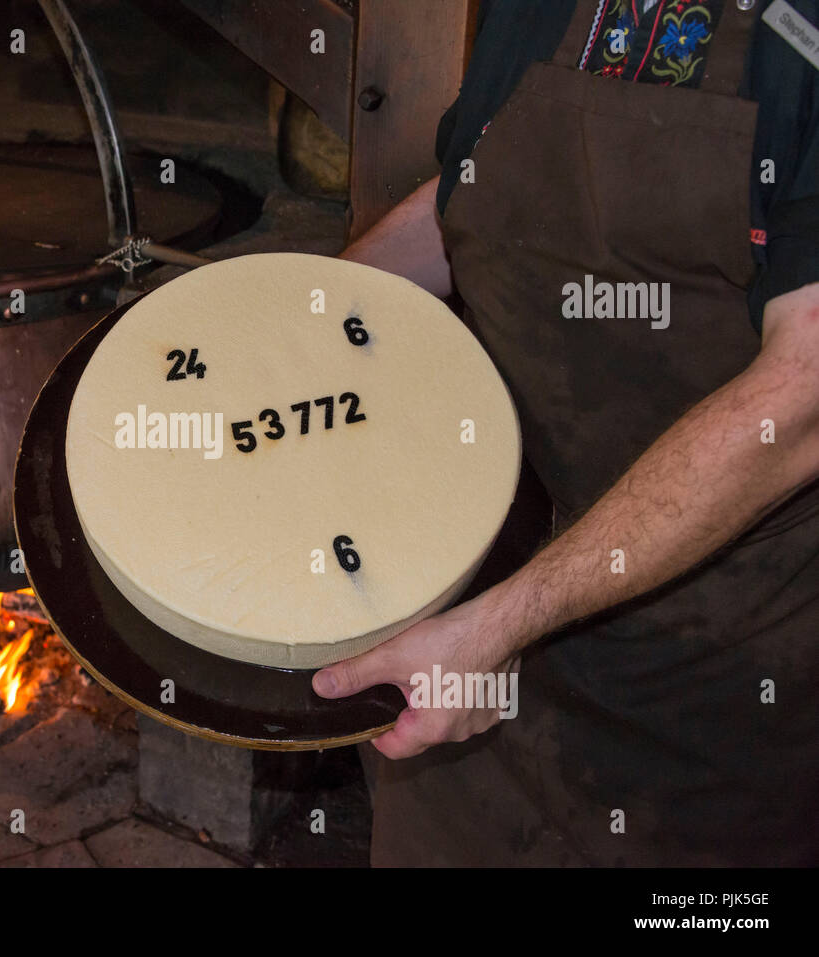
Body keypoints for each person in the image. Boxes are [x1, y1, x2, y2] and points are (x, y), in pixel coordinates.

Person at [316, 0, 819, 865]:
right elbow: (468, 200)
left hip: (712, 686)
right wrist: (303, 315)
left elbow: (803, 397)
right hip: (482, 622)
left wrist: (501, 623)